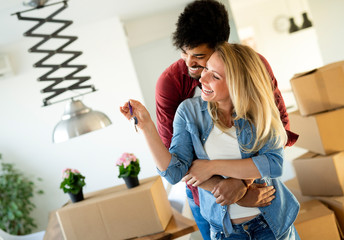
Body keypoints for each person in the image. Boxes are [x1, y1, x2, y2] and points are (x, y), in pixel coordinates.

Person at [120, 42, 300, 239]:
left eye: (215, 76)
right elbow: (174, 172)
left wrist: (212, 167)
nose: (202, 79)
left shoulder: (260, 112)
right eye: (206, 69)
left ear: (236, 85)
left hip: (273, 225)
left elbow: (274, 164)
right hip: (226, 232)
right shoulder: (189, 112)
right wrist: (146, 126)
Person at [155, 0, 298, 238]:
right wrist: (227, 191)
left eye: (198, 56)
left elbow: (277, 132)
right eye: (183, 52)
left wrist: (243, 184)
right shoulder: (170, 83)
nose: (189, 63)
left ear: (221, 47)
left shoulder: (254, 66)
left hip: (258, 184)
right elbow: (176, 160)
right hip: (205, 192)